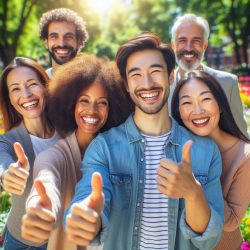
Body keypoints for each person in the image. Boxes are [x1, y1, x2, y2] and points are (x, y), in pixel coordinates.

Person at [64, 32, 224, 250]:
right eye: (136, 74)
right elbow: (88, 198)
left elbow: (207, 240)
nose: (147, 83)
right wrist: (87, 214)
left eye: (155, 72)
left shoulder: (206, 151)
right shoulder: (104, 148)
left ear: (170, 76)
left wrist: (193, 193)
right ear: (127, 85)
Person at [21, 53, 132, 250]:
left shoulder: (119, 152)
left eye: (102, 102)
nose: (92, 110)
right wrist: (41, 203)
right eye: (84, 100)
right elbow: (46, 173)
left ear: (112, 108)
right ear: (71, 104)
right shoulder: (57, 155)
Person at [171, 70, 250, 250]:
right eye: (187, 102)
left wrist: (195, 186)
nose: (197, 110)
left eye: (205, 99)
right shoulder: (175, 147)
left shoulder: (245, 155)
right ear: (179, 111)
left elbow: (232, 221)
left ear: (220, 105)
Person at [0, 57, 60, 249]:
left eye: (32, 84)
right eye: (15, 88)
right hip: (20, 243)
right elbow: (2, 164)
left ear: (45, 86)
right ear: (9, 98)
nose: (25, 94)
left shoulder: (69, 131)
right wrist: (7, 176)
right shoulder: (7, 141)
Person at [169, 13, 248, 137]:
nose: (188, 48)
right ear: (173, 45)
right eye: (182, 40)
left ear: (204, 46)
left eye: (196, 41)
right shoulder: (162, 87)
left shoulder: (227, 83)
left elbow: (241, 135)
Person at [39, 8, 88, 78]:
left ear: (79, 42)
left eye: (68, 37)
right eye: (54, 37)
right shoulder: (39, 83)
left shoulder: (91, 83)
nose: (61, 44)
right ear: (46, 43)